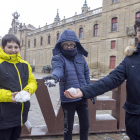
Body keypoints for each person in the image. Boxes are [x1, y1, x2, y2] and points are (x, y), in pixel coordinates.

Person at [64, 18, 140, 140]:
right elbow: (110, 80)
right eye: (139, 29)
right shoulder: (130, 60)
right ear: (136, 33)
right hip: (135, 122)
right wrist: (83, 91)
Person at [43, 30, 95, 140]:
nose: (69, 47)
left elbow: (86, 75)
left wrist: (90, 92)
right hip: (68, 98)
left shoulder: (81, 57)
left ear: (75, 44)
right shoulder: (58, 58)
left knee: (85, 125)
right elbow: (58, 70)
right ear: (61, 45)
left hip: (82, 96)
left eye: (71, 44)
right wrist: (54, 77)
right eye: (66, 44)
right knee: (68, 127)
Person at [0, 34, 37, 140]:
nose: (13, 50)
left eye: (16, 47)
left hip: (20, 116)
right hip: (3, 116)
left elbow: (32, 81)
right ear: (3, 48)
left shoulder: (25, 64)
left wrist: (28, 91)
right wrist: (9, 96)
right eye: (9, 47)